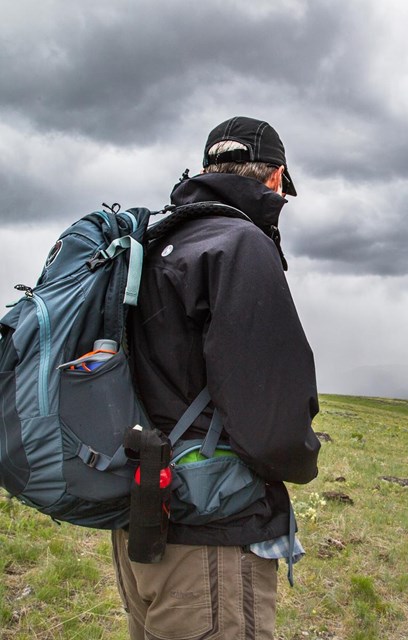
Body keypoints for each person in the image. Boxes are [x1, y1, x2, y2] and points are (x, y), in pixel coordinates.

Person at [111, 116, 321, 640]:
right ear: (274, 178)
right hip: (210, 542)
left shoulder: (161, 242)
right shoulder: (239, 245)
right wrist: (303, 459)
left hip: (142, 521)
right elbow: (272, 421)